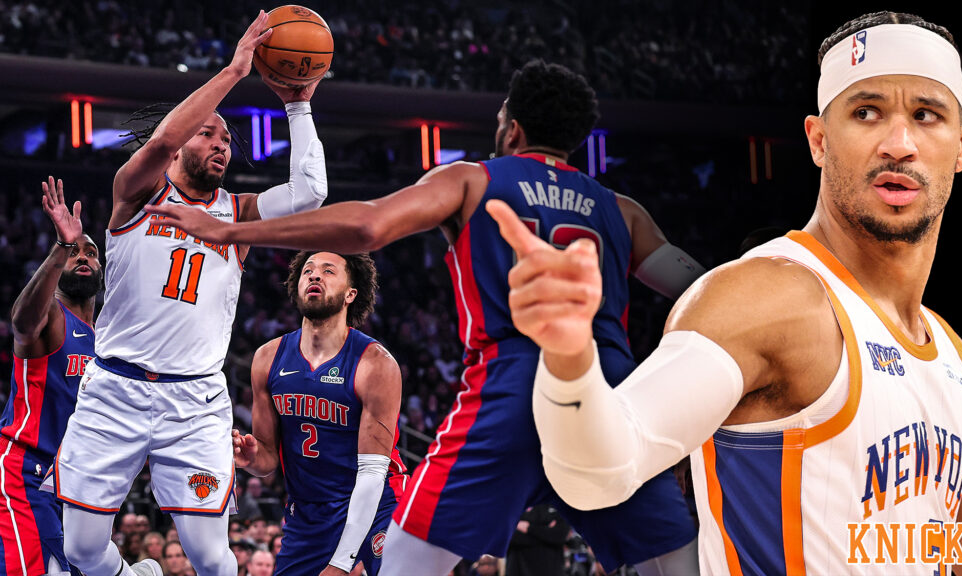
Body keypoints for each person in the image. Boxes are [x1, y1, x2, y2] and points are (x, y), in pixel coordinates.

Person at [490, 11, 962, 575]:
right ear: (819, 140)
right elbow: (601, 470)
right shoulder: (765, 296)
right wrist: (570, 362)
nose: (898, 144)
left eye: (926, 115)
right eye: (865, 112)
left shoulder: (952, 359)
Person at [146, 59, 705, 576]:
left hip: (510, 387)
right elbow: (700, 290)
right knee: (678, 563)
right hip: (607, 394)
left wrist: (231, 230)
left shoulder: (473, 180)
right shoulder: (622, 210)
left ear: (512, 130)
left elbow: (367, 226)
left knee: (408, 563)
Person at [43, 10, 330, 576]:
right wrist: (235, 71)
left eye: (226, 139)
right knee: (79, 550)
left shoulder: (238, 214)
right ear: (177, 148)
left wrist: (299, 105)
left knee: (210, 558)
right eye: (208, 134)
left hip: (195, 401)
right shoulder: (135, 194)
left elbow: (310, 193)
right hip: (115, 390)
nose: (221, 144)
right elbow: (165, 138)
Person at [235, 251, 404, 576]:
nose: (315, 275)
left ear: (350, 294)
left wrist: (342, 562)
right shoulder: (267, 358)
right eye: (308, 271)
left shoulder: (376, 364)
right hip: (307, 511)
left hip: (375, 502)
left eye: (328, 271)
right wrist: (251, 459)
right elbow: (267, 459)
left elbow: (372, 473)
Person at [1, 177, 101, 576]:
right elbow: (22, 323)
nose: (82, 257)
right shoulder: (52, 318)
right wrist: (62, 245)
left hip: (73, 484)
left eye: (91, 253)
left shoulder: (106, 340)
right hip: (24, 471)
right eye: (74, 253)